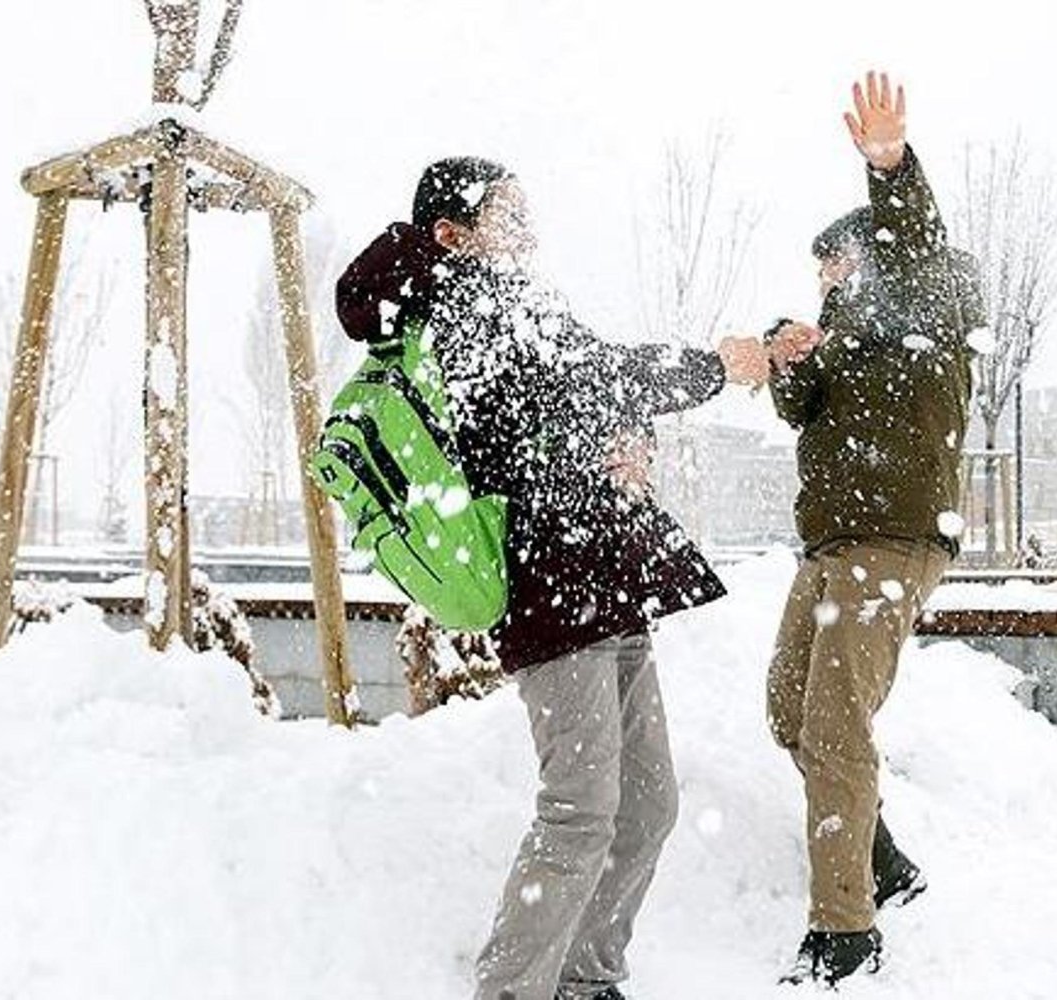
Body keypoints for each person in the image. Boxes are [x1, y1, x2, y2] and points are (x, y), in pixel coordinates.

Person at [334, 157, 775, 1000]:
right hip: (551, 586)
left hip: (603, 575)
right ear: (453, 235)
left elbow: (586, 387)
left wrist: (630, 433)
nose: (529, 230)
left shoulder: (516, 303)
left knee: (648, 804)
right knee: (579, 810)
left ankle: (587, 980)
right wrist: (714, 367)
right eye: (509, 214)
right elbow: (584, 380)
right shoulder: (464, 307)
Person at [761, 71, 982, 988]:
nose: (827, 281)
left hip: (893, 542)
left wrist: (888, 166)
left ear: (874, 254)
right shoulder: (843, 340)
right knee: (788, 709)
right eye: (820, 273)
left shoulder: (931, 303)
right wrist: (785, 354)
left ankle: (845, 931)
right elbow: (798, 410)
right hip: (832, 546)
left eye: (837, 265)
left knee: (836, 724)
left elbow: (918, 244)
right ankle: (882, 857)